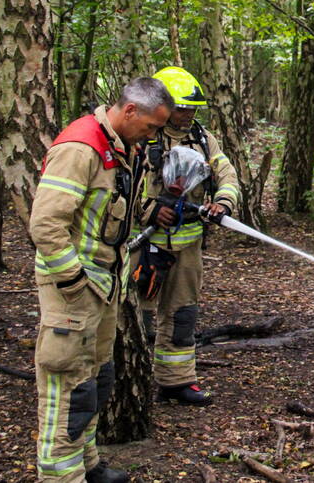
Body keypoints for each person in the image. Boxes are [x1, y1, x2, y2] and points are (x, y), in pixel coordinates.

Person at [30, 78, 173, 483]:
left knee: (95, 378)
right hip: (74, 289)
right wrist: (73, 282)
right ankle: (61, 476)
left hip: (104, 284)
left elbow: (117, 209)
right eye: (150, 126)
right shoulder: (80, 148)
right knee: (68, 385)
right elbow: (45, 224)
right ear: (130, 111)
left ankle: (86, 464)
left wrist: (156, 209)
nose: (153, 135)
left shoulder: (124, 148)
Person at [138, 67, 240, 406]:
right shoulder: (141, 136)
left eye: (192, 109)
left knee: (182, 316)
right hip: (143, 246)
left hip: (187, 249)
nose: (188, 115)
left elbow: (228, 175)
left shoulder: (201, 138)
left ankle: (176, 381)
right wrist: (149, 210)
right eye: (181, 108)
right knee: (133, 315)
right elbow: (115, 188)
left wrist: (223, 202)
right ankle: (128, 380)